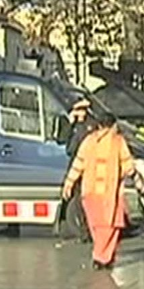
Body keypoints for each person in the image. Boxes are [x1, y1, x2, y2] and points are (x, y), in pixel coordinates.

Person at [61, 113, 143, 270]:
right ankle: (102, 258)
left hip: (89, 193)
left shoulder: (89, 141)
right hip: (109, 194)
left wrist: (69, 184)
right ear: (113, 125)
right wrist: (139, 181)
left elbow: (78, 164)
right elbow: (128, 167)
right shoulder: (118, 142)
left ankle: (102, 257)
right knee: (110, 227)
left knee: (97, 227)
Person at [58, 99, 93, 243]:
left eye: (81, 110)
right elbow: (62, 139)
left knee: (83, 202)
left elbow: (74, 148)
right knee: (79, 202)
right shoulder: (75, 126)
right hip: (77, 165)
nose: (79, 113)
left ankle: (87, 233)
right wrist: (70, 123)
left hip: (85, 167)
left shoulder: (88, 127)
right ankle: (86, 233)